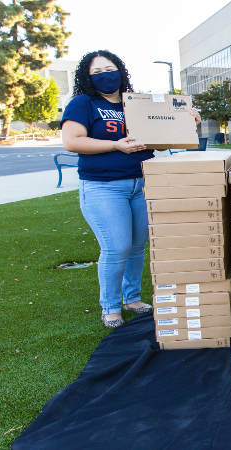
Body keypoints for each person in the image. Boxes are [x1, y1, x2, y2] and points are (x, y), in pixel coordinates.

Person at [62, 50, 201, 329]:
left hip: (142, 182)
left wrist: (186, 122)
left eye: (109, 68)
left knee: (138, 246)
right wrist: (115, 144)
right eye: (97, 71)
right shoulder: (83, 103)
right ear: (87, 77)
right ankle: (111, 307)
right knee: (117, 247)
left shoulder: (137, 103)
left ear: (121, 71)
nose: (105, 75)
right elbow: (72, 141)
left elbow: (159, 142)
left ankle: (132, 298)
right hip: (104, 187)